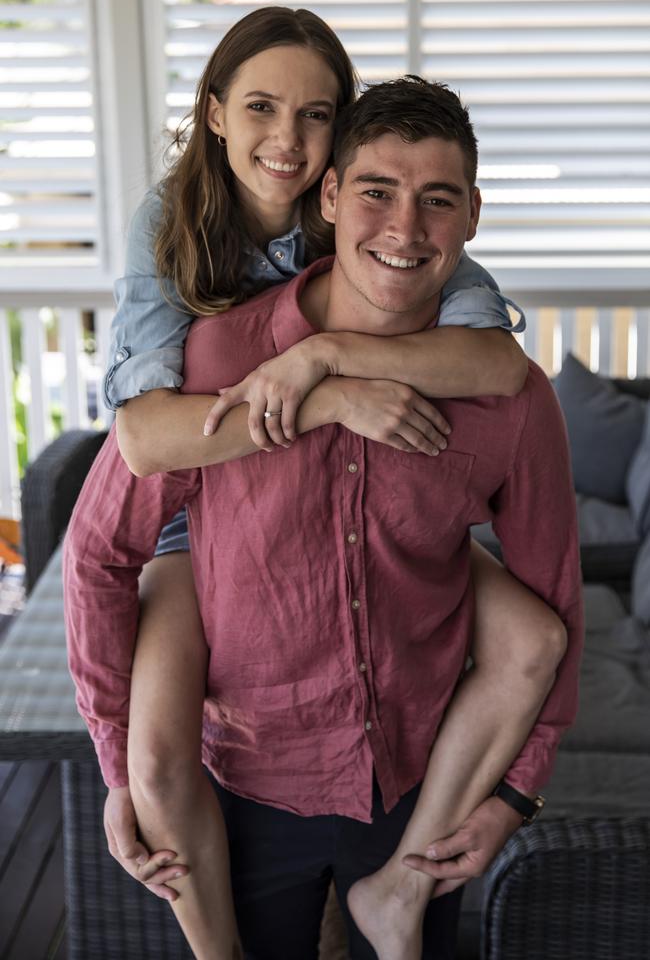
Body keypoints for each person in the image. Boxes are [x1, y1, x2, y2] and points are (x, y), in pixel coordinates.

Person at [65, 75, 583, 960]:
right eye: (377, 191)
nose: (406, 229)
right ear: (332, 195)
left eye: (438, 201)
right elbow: (99, 555)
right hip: (248, 791)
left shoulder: (510, 396)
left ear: (473, 216)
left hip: (422, 792)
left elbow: (556, 600)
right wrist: (121, 764)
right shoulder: (215, 357)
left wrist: (514, 794)